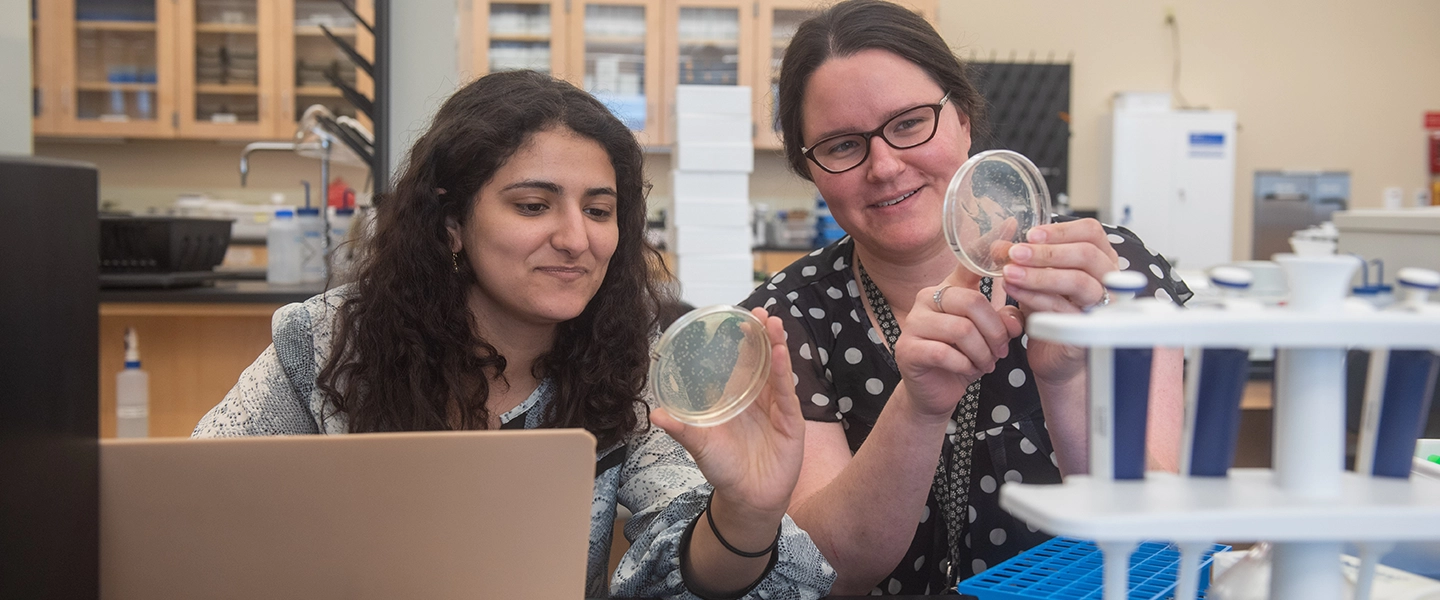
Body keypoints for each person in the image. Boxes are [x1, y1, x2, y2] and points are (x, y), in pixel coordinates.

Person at [195, 70, 835, 600]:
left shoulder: (634, 364)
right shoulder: (331, 342)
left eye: (598, 210)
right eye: (533, 206)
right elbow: (195, 507)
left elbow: (691, 562)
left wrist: (743, 514)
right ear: (451, 220)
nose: (576, 238)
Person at [738, 0, 1194, 594]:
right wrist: (919, 406)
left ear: (964, 120)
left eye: (908, 123)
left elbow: (1154, 545)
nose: (884, 165)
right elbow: (825, 573)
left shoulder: (1109, 274)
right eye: (843, 145)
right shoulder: (784, 320)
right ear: (811, 169)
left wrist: (1066, 381)